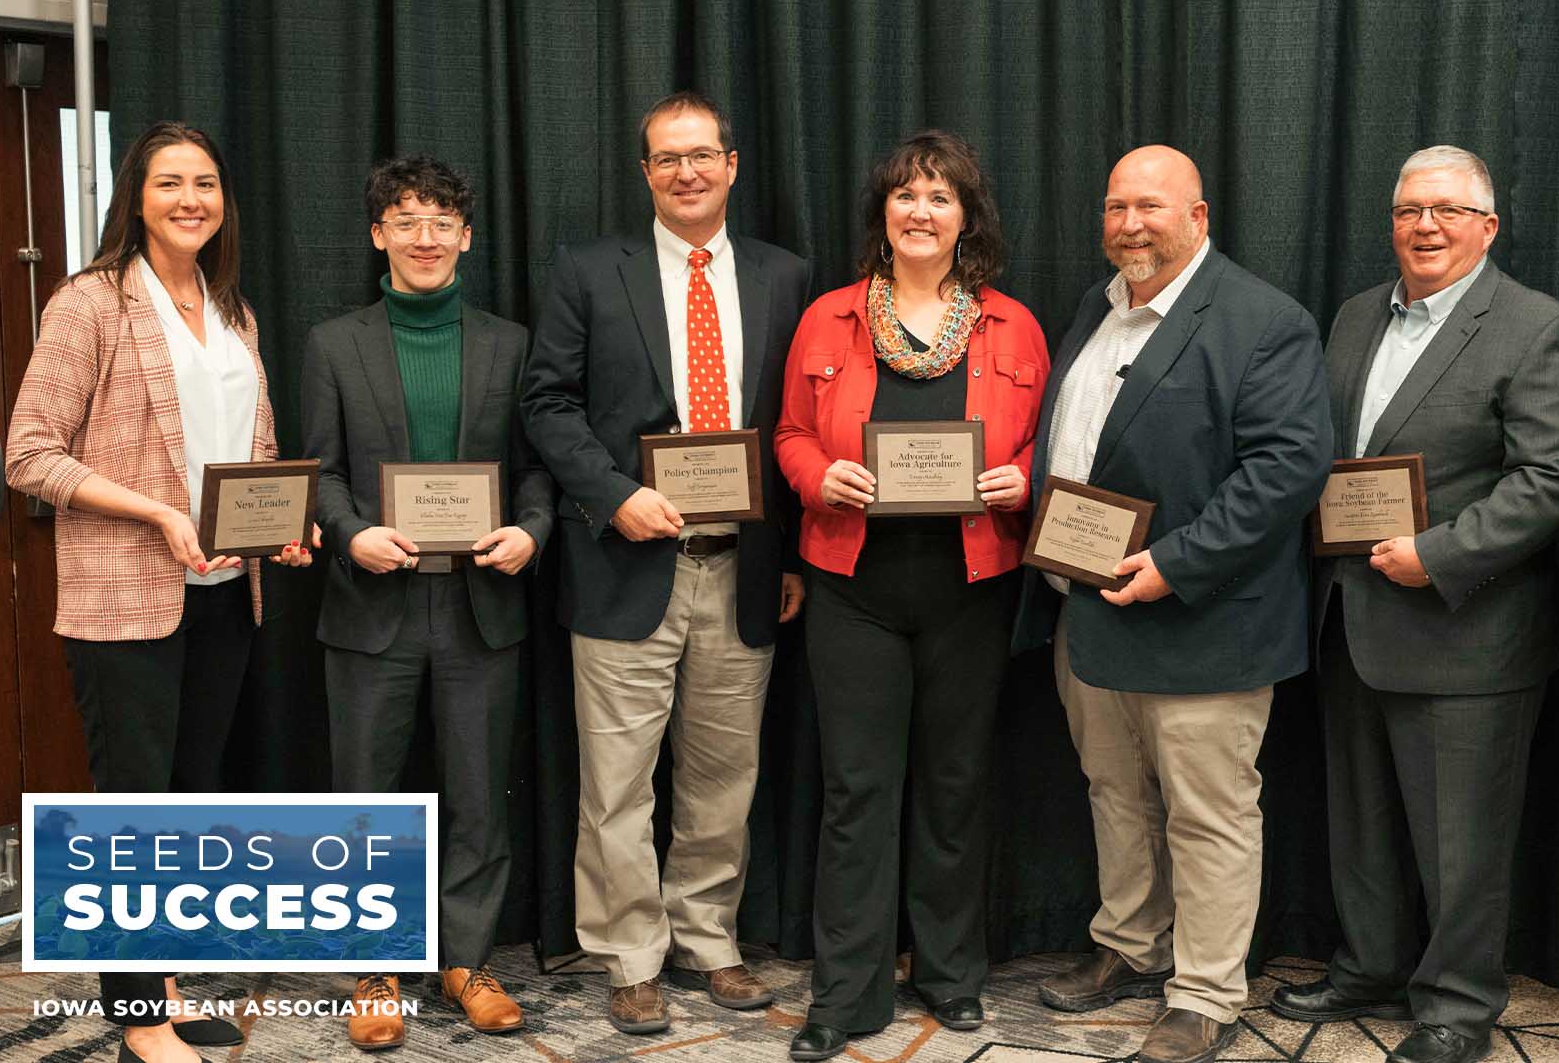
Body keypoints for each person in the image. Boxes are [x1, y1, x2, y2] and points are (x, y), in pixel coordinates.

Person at [1266, 146, 1559, 1063]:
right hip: (1347, 617)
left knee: (1462, 842)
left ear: (1488, 227)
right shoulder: (1356, 315)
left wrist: (1439, 554)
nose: (1426, 226)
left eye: (1448, 209)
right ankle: (1369, 965)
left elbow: (1550, 480)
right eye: (1410, 209)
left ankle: (1456, 1003)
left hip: (1465, 630)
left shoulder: (1537, 328)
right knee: (1359, 817)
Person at [3, 120, 314, 1063]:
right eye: (171, 182)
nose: (192, 200)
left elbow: (251, 454)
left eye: (207, 184)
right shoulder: (89, 303)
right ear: (136, 196)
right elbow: (29, 454)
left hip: (223, 592)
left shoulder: (234, 310)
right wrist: (155, 512)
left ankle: (166, 993)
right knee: (130, 811)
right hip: (124, 596)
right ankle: (140, 1022)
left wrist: (280, 527)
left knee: (183, 805)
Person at [1016, 145, 1332, 1063]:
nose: (1130, 224)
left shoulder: (1263, 321)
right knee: (1114, 794)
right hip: (1089, 609)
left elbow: (1285, 470)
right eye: (1116, 207)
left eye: (1150, 206)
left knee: (1209, 812)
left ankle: (1203, 992)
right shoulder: (1098, 306)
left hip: (1203, 617)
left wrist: (1176, 563)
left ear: (1199, 218)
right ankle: (1130, 942)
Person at [519, 90, 811, 1035]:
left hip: (746, 566)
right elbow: (548, 404)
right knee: (617, 782)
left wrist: (795, 551)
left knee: (724, 775)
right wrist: (614, 494)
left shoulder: (785, 277)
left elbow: (802, 427)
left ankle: (708, 939)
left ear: (732, 165)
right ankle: (630, 954)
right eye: (665, 158)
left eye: (702, 155)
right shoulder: (587, 272)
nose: (686, 171)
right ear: (644, 174)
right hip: (625, 561)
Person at [774, 130, 1048, 1062]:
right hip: (854, 586)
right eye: (904, 196)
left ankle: (949, 975)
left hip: (973, 585)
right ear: (882, 215)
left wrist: (1024, 478)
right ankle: (845, 994)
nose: (920, 211)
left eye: (939, 196)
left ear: (965, 216)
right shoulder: (829, 320)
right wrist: (820, 479)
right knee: (857, 789)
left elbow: (1048, 444)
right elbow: (788, 435)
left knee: (956, 783)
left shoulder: (1013, 326)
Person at [300, 154, 554, 1050]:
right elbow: (320, 472)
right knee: (366, 798)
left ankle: (465, 963)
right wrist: (349, 530)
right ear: (379, 236)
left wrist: (531, 530)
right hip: (373, 603)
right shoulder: (335, 343)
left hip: (482, 603)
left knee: (480, 799)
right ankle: (376, 969)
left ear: (467, 237)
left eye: (442, 220)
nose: (425, 237)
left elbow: (535, 471)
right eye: (406, 220)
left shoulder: (510, 343)